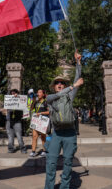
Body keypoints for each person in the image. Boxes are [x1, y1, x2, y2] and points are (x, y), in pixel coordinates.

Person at [45, 51, 84, 189]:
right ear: (54, 86)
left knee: (68, 162)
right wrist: (73, 86)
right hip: (56, 134)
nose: (60, 84)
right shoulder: (50, 98)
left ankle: (64, 187)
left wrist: (78, 62)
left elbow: (77, 79)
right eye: (57, 83)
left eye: (62, 82)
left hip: (70, 133)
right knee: (51, 162)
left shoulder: (69, 96)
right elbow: (73, 85)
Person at [29, 89, 49, 157]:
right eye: (37, 92)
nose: (38, 93)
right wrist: (33, 100)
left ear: (43, 94)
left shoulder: (46, 102)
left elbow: (49, 112)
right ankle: (33, 151)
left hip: (43, 121)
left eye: (40, 92)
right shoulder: (36, 101)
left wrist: (41, 113)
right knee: (34, 136)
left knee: (43, 137)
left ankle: (44, 151)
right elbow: (31, 109)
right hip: (36, 121)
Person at [6, 89, 27, 154]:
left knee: (19, 136)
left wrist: (18, 97)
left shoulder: (20, 100)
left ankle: (22, 149)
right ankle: (10, 148)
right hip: (9, 121)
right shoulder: (9, 100)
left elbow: (24, 106)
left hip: (17, 121)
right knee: (10, 136)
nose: (13, 94)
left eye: (14, 93)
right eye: (11, 93)